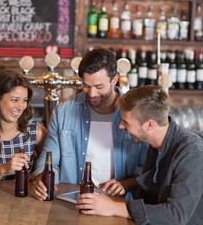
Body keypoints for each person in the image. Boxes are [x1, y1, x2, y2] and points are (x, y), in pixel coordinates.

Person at [32, 48, 148, 200]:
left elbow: (146, 168)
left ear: (114, 80)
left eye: (99, 87)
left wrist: (125, 184)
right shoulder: (64, 112)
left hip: (119, 203)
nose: (92, 94)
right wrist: (40, 179)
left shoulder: (136, 113)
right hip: (72, 202)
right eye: (86, 86)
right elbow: (48, 160)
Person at [77, 85, 203, 225]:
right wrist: (123, 187)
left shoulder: (192, 152)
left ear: (150, 125)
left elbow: (175, 215)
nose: (120, 126)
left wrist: (114, 208)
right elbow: (148, 196)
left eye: (126, 122)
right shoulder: (155, 145)